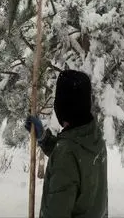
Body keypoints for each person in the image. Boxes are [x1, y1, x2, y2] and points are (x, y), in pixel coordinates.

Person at [25, 69, 108, 218]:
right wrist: (45, 139)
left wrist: (58, 151)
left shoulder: (67, 153)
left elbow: (68, 161)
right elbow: (77, 164)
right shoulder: (94, 138)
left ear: (62, 105)